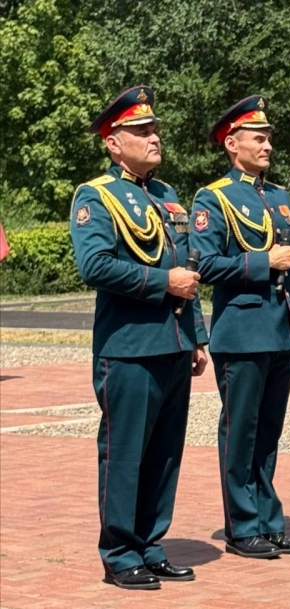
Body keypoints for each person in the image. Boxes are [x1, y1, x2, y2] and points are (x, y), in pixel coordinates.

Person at [70, 85, 209, 589]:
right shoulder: (96, 195)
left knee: (165, 454)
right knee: (125, 453)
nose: (154, 138)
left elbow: (188, 270)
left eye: (154, 130)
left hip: (173, 343)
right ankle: (119, 552)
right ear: (114, 143)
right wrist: (161, 283)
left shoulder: (167, 195)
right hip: (128, 347)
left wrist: (196, 336)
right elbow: (95, 265)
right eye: (141, 131)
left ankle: (151, 545)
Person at [190, 95, 290, 559]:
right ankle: (242, 527)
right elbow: (205, 265)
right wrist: (262, 262)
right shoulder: (214, 198)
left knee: (268, 434)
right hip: (241, 333)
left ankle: (268, 520)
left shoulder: (279, 197)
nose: (267, 146)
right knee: (241, 433)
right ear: (232, 143)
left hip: (279, 331)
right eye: (258, 138)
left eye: (268, 139)